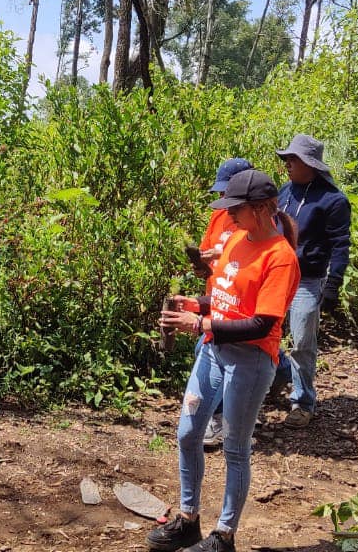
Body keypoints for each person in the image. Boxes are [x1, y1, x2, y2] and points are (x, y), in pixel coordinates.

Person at [147, 169, 301, 552]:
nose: (229, 216)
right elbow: (225, 299)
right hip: (214, 350)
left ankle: (224, 536)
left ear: (263, 208)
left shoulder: (280, 258)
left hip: (250, 360)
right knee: (187, 433)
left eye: (237, 209)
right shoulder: (235, 241)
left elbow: (261, 322)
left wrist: (198, 322)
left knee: (234, 447)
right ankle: (187, 520)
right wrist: (195, 305)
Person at [272, 134, 350, 428]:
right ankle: (279, 377)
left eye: (294, 159)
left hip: (307, 280)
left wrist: (333, 285)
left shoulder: (333, 200)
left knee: (303, 342)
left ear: (310, 164)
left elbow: (341, 244)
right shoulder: (284, 192)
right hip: (277, 277)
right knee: (266, 335)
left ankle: (303, 402)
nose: (288, 165)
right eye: (287, 159)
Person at [199, 158, 252, 449]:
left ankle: (221, 420)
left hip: (240, 304)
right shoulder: (219, 215)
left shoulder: (260, 223)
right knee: (213, 354)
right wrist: (203, 263)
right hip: (215, 296)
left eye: (226, 192)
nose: (222, 199)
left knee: (218, 354)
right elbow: (208, 250)